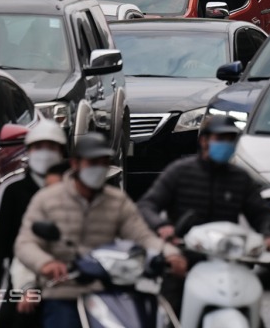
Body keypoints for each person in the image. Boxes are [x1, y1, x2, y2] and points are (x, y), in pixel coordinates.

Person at [15, 133, 185, 328]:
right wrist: (46, 263)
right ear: (75, 163)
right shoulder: (47, 199)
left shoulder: (117, 201)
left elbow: (143, 236)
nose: (98, 168)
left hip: (110, 291)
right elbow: (26, 243)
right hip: (64, 290)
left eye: (103, 163)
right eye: (92, 162)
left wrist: (170, 254)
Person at [137, 116, 270, 311]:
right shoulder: (180, 172)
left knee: (250, 311)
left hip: (227, 258)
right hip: (186, 256)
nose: (226, 144)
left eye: (230, 139)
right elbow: (147, 205)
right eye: (220, 138)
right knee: (168, 312)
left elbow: (261, 213)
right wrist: (162, 227)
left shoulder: (239, 178)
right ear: (204, 140)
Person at [0, 120, 68, 327]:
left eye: (51, 148)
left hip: (66, 276)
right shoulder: (12, 191)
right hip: (22, 275)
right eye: (38, 148)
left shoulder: (74, 191)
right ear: (29, 151)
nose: (45, 153)